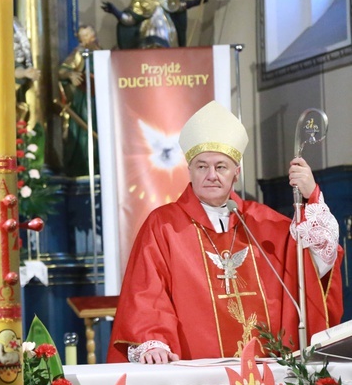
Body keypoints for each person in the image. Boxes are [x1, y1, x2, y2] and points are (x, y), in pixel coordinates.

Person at [107, 101, 343, 364]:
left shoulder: (262, 224)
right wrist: (154, 342)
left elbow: (316, 263)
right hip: (194, 372)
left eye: (221, 167)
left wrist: (311, 196)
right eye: (201, 166)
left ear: (236, 173)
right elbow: (147, 294)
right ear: (190, 171)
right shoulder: (163, 226)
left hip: (264, 369)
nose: (211, 175)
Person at [58, 24, 101, 177]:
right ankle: (85, 167)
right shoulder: (80, 53)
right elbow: (62, 71)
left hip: (103, 99)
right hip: (86, 99)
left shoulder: (103, 52)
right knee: (86, 135)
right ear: (81, 41)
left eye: (91, 34)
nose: (90, 38)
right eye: (85, 36)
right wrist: (71, 75)